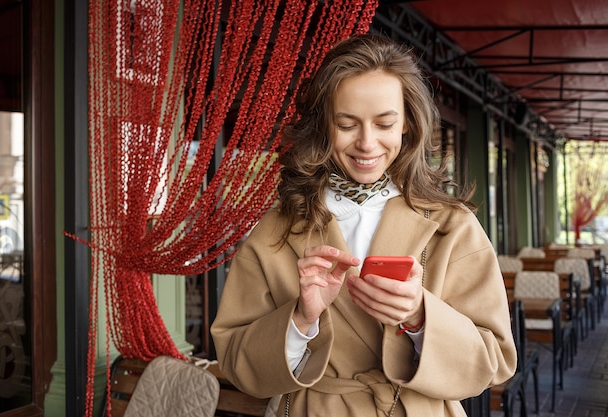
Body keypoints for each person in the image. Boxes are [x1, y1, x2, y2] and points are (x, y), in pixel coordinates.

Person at [211, 33, 516, 417]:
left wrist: (421, 315)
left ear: (408, 124)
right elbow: (236, 361)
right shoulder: (275, 230)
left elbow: (495, 361)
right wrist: (300, 320)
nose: (367, 143)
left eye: (385, 124)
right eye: (347, 124)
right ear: (323, 124)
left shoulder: (452, 226)